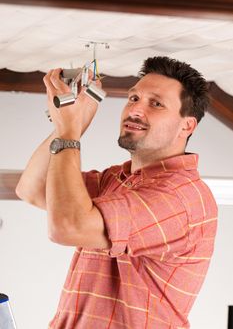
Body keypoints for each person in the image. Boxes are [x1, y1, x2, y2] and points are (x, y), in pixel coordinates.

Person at [16, 56, 218, 328]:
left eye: (156, 103)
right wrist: (72, 125)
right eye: (134, 98)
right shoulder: (118, 178)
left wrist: (70, 132)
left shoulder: (180, 197)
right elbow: (33, 188)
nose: (136, 110)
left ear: (187, 126)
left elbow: (67, 227)